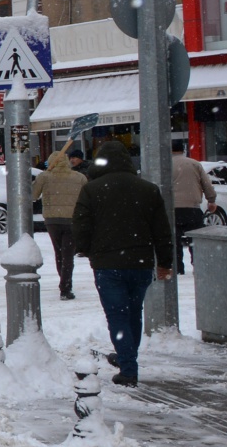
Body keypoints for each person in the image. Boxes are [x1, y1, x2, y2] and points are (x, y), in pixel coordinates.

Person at [72, 139, 174, 388]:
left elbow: (81, 224)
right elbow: (162, 230)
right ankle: (128, 356)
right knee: (133, 314)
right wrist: (165, 262)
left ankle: (128, 369)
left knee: (117, 316)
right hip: (140, 263)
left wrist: (84, 248)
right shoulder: (148, 189)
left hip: (108, 264)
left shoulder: (92, 189)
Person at [32, 147, 87, 300]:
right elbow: (86, 198)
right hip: (72, 220)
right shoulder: (79, 177)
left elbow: (33, 195)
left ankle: (64, 282)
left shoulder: (45, 176)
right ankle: (65, 287)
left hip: (52, 220)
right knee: (68, 254)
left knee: (59, 253)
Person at [170, 140, 217, 273]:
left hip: (171, 210)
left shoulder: (164, 166)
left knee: (174, 241)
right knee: (195, 239)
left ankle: (178, 268)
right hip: (192, 209)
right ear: (183, 150)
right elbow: (207, 185)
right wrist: (211, 200)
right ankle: (198, 265)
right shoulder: (194, 164)